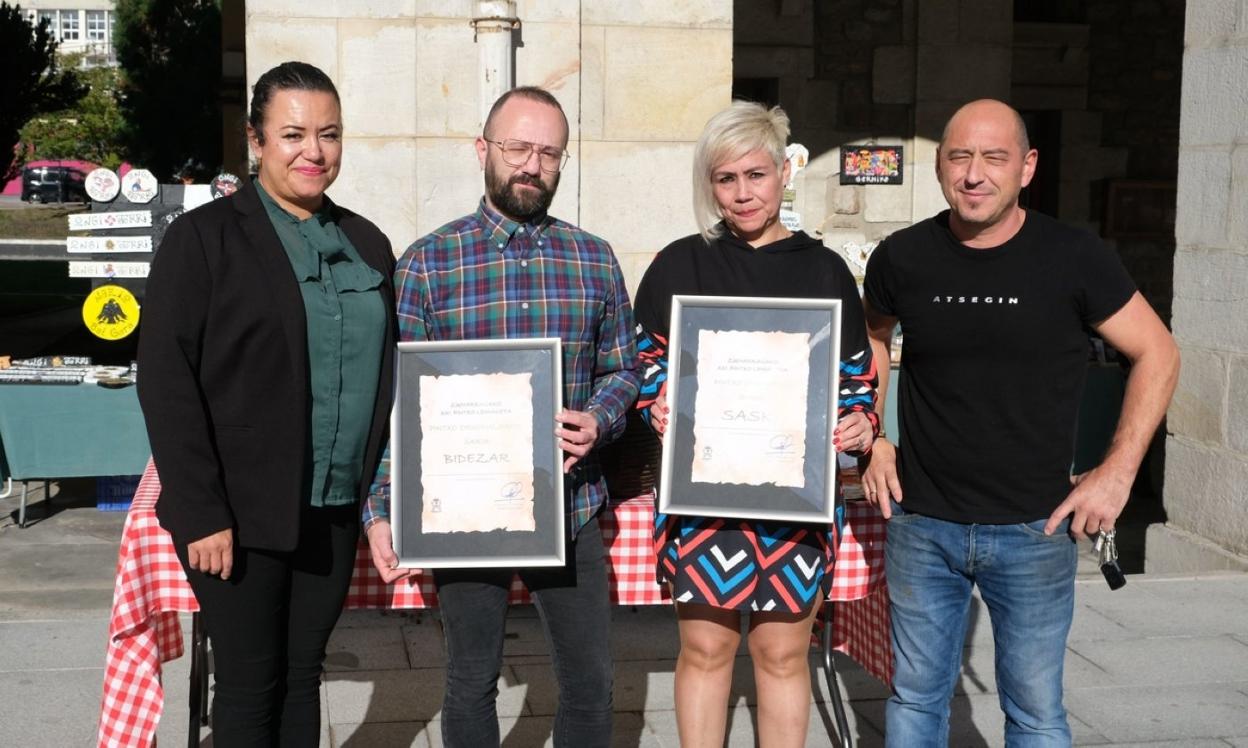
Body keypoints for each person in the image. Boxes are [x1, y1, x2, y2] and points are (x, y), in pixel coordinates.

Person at [861, 99, 1180, 746]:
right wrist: (873, 437)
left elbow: (1158, 352)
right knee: (915, 701)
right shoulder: (902, 256)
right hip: (921, 523)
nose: (975, 174)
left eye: (994, 158)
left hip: (1035, 527)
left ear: (1027, 167)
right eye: (960, 157)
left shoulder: (1075, 257)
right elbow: (873, 341)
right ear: (940, 166)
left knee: (1035, 713)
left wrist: (1117, 474)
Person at [361, 86, 639, 748]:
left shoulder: (593, 259)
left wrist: (600, 418)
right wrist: (379, 509)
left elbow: (624, 369)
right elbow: (398, 401)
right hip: (465, 513)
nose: (531, 165)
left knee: (589, 684)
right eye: (518, 147)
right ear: (483, 150)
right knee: (469, 681)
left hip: (566, 508)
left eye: (548, 152)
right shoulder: (427, 263)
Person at [137, 61, 398, 746]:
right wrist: (201, 511)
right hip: (238, 517)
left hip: (332, 511)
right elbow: (166, 380)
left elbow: (391, 375)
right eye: (292, 134)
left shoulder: (368, 243)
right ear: (255, 140)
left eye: (329, 134)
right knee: (251, 684)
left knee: (303, 674)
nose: (313, 151)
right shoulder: (203, 241)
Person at [632, 101, 880, 748]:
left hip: (793, 500)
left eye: (755, 175)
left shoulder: (824, 270)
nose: (742, 193)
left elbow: (856, 378)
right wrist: (655, 401)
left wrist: (859, 424)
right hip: (702, 498)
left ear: (783, 174)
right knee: (706, 650)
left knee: (781, 656)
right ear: (708, 185)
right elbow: (644, 361)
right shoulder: (678, 264)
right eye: (725, 179)